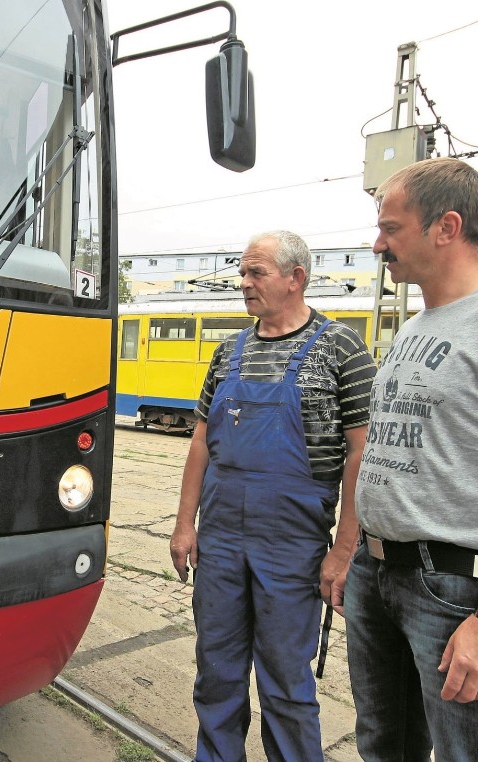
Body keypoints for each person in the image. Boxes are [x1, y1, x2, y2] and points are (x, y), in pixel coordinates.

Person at [169, 230, 376, 762]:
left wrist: (344, 549)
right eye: (243, 273)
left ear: (295, 278)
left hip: (291, 546)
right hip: (219, 543)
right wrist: (184, 524)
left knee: (285, 682)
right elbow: (201, 442)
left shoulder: (341, 349)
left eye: (255, 273)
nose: (244, 284)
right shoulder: (228, 352)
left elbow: (362, 454)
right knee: (216, 671)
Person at [341, 157, 478, 762]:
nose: (378, 244)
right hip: (378, 575)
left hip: (451, 590)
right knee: (384, 747)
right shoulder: (417, 324)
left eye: (390, 228)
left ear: (446, 228)